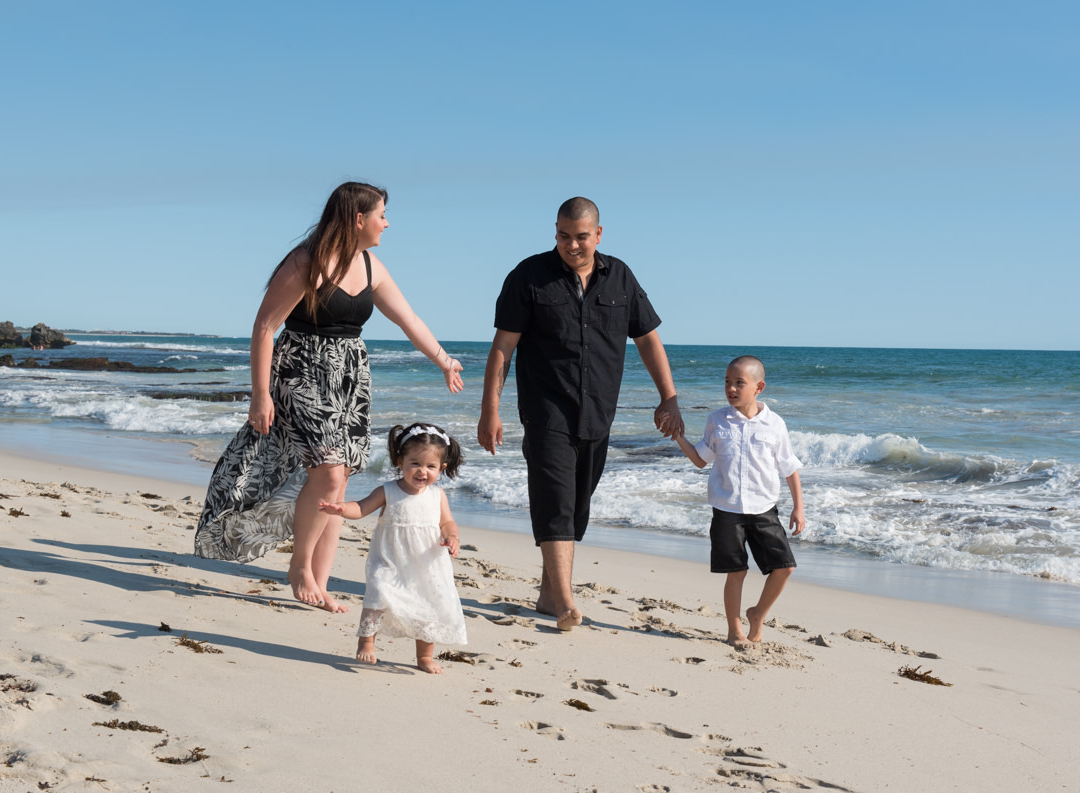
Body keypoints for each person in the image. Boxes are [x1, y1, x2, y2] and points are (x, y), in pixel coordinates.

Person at [195, 182, 463, 614]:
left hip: (350, 379)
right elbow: (265, 326)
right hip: (301, 370)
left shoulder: (371, 265)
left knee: (339, 478)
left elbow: (408, 318)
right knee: (329, 468)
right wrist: (260, 394)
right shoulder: (307, 261)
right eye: (381, 214)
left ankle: (318, 581)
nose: (386, 223)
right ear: (358, 219)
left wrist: (444, 360)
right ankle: (299, 568)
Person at [477, 196, 683, 632]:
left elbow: (647, 338)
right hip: (545, 408)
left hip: (597, 414)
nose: (572, 246)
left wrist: (669, 396)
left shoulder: (620, 277)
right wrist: (489, 411)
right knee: (555, 502)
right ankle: (567, 601)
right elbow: (502, 348)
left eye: (581, 237)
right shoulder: (529, 276)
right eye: (563, 236)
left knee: (577, 506)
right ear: (555, 232)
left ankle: (549, 593)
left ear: (599, 235)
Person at [672, 355, 805, 647]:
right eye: (727, 382)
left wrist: (798, 507)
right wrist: (678, 436)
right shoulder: (718, 420)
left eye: (739, 383)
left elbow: (789, 466)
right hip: (727, 510)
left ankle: (757, 615)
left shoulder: (774, 424)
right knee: (736, 572)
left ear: (759, 387)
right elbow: (700, 459)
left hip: (764, 509)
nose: (731, 388)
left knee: (784, 567)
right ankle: (734, 629)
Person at [319, 423, 466, 674]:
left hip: (426, 563)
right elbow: (362, 507)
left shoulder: (437, 495)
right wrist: (344, 509)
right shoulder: (387, 491)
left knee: (427, 607)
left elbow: (447, 522)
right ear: (400, 461)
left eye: (430, 466)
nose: (422, 471)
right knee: (378, 592)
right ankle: (366, 642)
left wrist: (452, 537)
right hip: (390, 559)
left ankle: (424, 656)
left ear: (441, 468)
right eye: (415, 463)